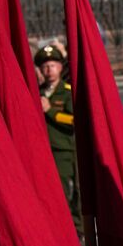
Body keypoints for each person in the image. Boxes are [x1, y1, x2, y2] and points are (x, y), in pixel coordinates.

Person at [36, 42, 78, 232]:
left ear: (60, 67)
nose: (48, 70)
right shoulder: (37, 91)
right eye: (45, 66)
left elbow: (73, 120)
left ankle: (70, 228)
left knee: (63, 191)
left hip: (62, 148)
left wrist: (50, 111)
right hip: (42, 149)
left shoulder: (67, 92)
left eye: (52, 65)